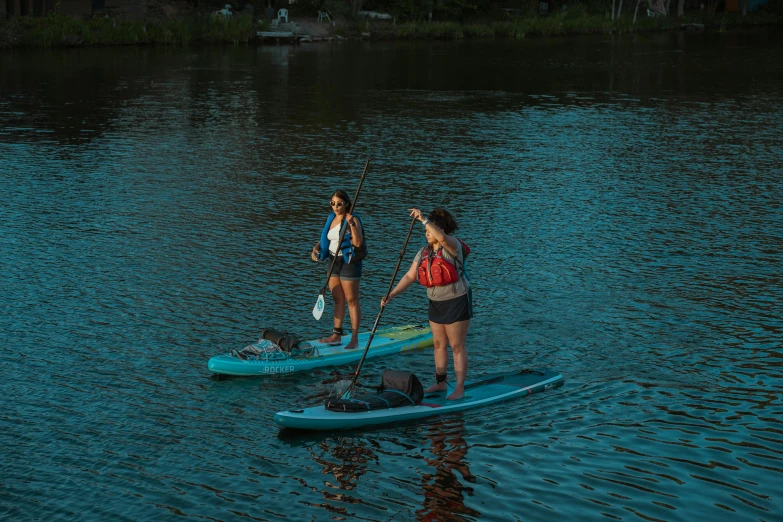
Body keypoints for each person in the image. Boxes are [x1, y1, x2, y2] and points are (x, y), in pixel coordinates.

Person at [381, 208, 471, 400]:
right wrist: (392, 294)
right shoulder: (423, 252)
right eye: (426, 230)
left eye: (431, 229)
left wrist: (423, 219)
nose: (427, 233)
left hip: (457, 301)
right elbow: (410, 275)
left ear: (441, 230)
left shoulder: (453, 246)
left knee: (457, 346)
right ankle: (440, 383)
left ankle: (459, 388)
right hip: (435, 303)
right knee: (439, 344)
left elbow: (443, 238)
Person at [311, 190, 365, 350]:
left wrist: (352, 224)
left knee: (352, 300)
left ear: (346, 204)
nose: (335, 206)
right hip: (333, 261)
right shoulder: (331, 218)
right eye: (332, 203)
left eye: (339, 204)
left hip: (349, 261)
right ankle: (336, 335)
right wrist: (316, 247)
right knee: (337, 299)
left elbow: (358, 243)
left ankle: (354, 339)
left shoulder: (353, 219)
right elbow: (327, 238)